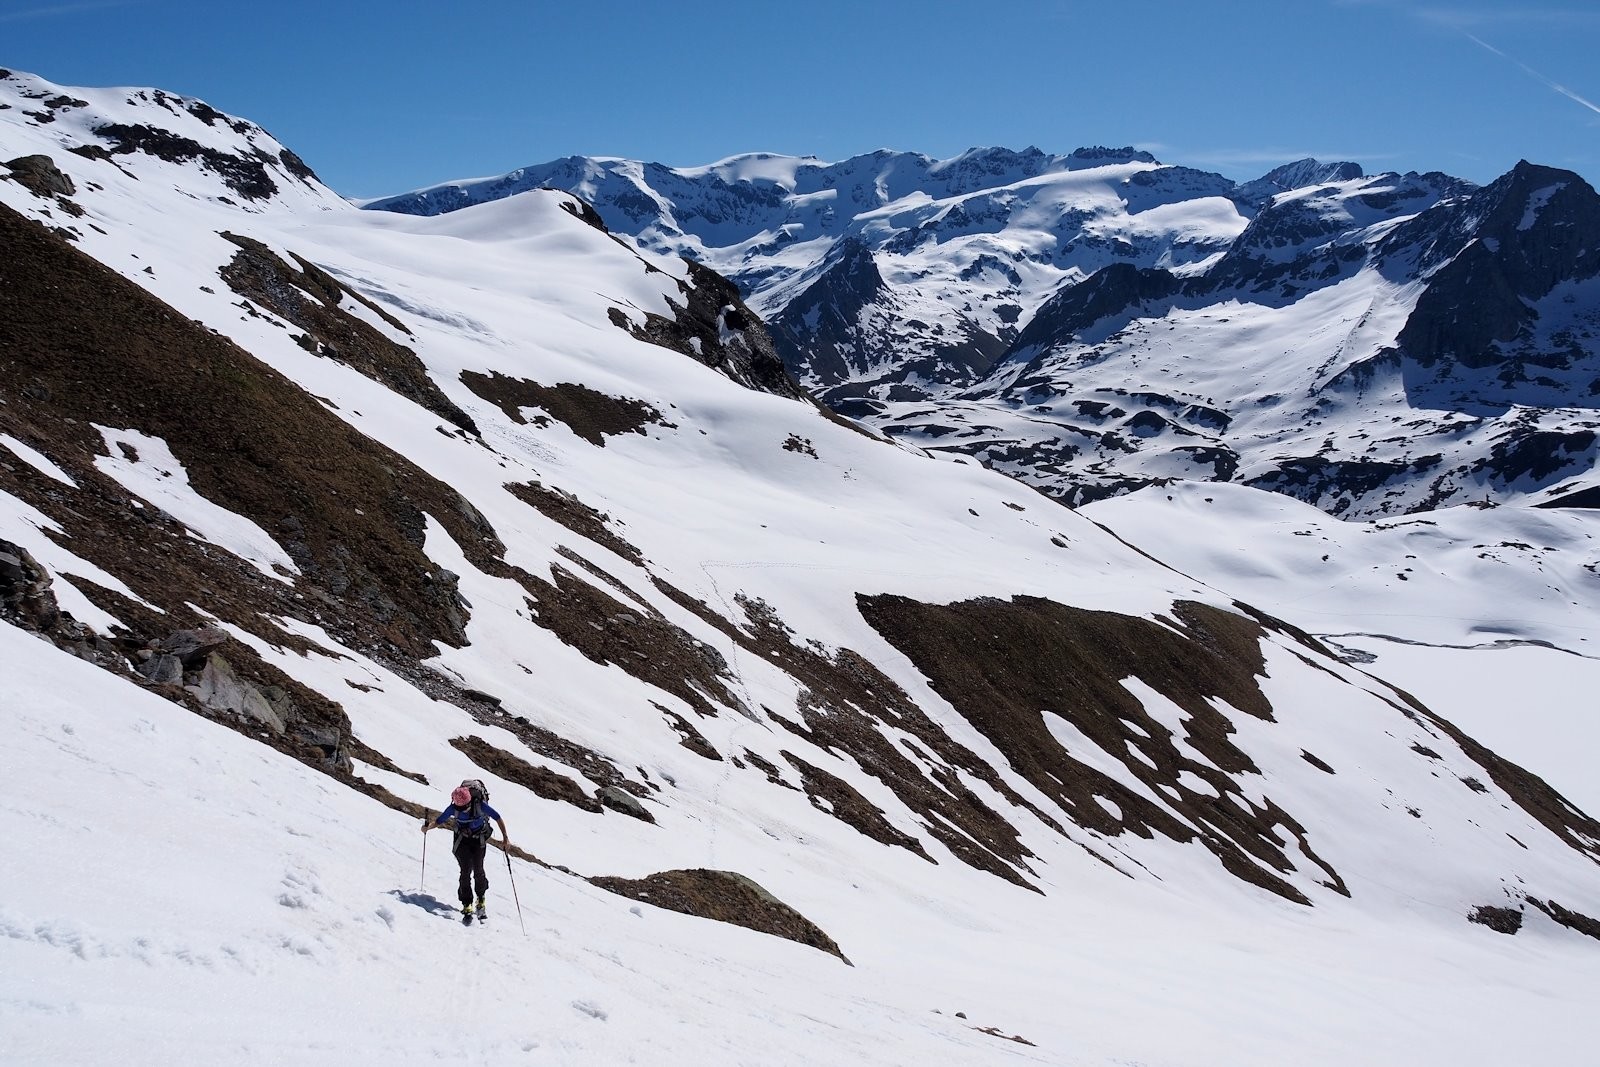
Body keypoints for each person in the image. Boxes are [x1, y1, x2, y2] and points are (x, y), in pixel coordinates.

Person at [422, 783, 509, 923]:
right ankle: (467, 903)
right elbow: (439, 820)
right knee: (465, 871)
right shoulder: (454, 807)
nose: (461, 810)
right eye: (458, 808)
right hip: (462, 840)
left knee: (479, 870)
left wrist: (505, 838)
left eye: (464, 808)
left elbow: (497, 817)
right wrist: (428, 828)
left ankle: (480, 899)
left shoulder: (479, 805)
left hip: (478, 839)